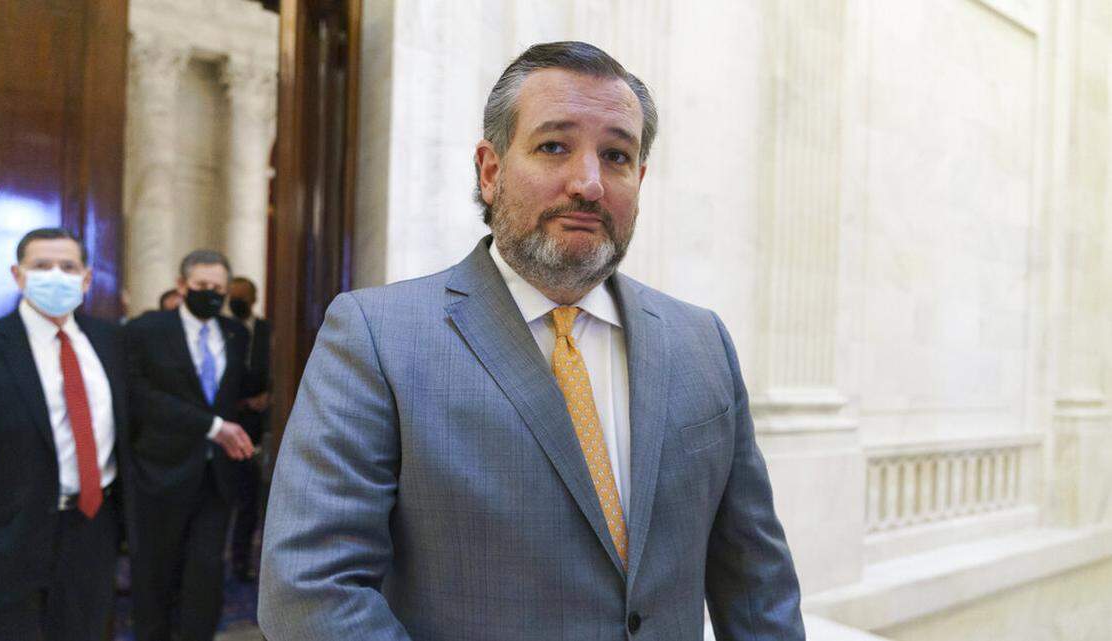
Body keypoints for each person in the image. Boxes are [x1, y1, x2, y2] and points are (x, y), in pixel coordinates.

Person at [259, 41, 805, 640]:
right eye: (553, 147)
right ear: (491, 170)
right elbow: (311, 594)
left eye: (617, 156)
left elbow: (757, 584)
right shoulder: (377, 338)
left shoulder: (702, 341)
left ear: (640, 180)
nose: (590, 183)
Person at [0, 227, 128, 640]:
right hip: (6, 541)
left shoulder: (111, 342)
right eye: (41, 266)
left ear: (87, 278)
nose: (56, 275)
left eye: (68, 266)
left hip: (93, 529)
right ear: (17, 275)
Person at [126, 249, 256, 641]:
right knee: (156, 573)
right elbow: (141, 395)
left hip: (216, 476)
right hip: (160, 471)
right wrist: (211, 425)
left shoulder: (236, 334)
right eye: (202, 286)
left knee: (205, 573)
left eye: (218, 288)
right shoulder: (147, 329)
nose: (211, 294)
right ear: (182, 286)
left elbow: (231, 394)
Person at [226, 276, 272, 581]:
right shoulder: (222, 330)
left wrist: (270, 396)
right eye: (233, 296)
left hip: (259, 424)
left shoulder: (268, 331)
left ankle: (242, 563)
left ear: (254, 298)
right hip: (226, 420)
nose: (237, 301)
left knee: (249, 500)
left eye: (242, 296)